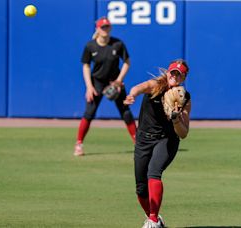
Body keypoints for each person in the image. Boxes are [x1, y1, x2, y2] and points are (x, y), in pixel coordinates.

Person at [123, 59, 191, 228]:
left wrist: (176, 120)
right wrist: (132, 94)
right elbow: (139, 87)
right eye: (172, 72)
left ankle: (152, 220)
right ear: (168, 72)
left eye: (178, 74)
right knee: (140, 187)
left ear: (183, 78)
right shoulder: (155, 85)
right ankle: (154, 219)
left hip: (166, 139)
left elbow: (183, 133)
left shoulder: (184, 98)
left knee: (153, 172)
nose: (174, 76)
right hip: (144, 138)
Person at [74, 17, 137, 156]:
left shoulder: (117, 44)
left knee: (125, 111)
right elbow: (85, 66)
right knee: (89, 113)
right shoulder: (90, 46)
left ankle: (138, 143)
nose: (105, 29)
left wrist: (119, 81)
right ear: (97, 28)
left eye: (107, 26)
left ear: (110, 28)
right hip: (97, 82)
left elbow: (127, 62)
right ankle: (79, 144)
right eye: (102, 27)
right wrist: (89, 87)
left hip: (114, 81)